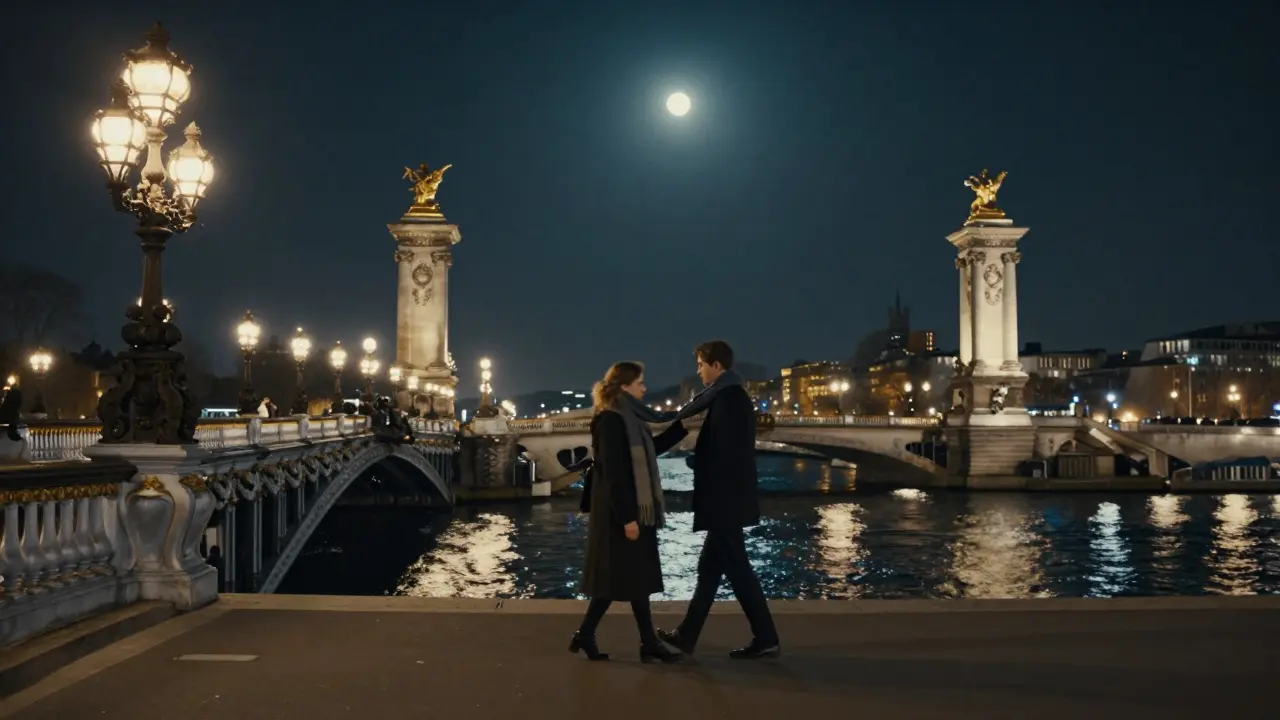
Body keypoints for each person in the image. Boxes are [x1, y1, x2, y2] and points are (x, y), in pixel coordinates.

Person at [658, 340, 780, 659]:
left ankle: (766, 638)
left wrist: (697, 461)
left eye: (700, 364)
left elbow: (726, 452)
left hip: (725, 501)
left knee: (738, 569)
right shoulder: (727, 396)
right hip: (728, 499)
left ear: (715, 365)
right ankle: (687, 635)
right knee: (710, 569)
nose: (698, 371)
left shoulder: (728, 398)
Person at [571, 361, 687, 663]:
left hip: (630, 508)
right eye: (639, 383)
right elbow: (615, 473)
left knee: (630, 577)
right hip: (620, 511)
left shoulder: (628, 418)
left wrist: (682, 428)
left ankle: (598, 636)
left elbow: (649, 448)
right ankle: (640, 642)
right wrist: (627, 518)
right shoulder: (611, 420)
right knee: (625, 576)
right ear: (624, 386)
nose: (644, 388)